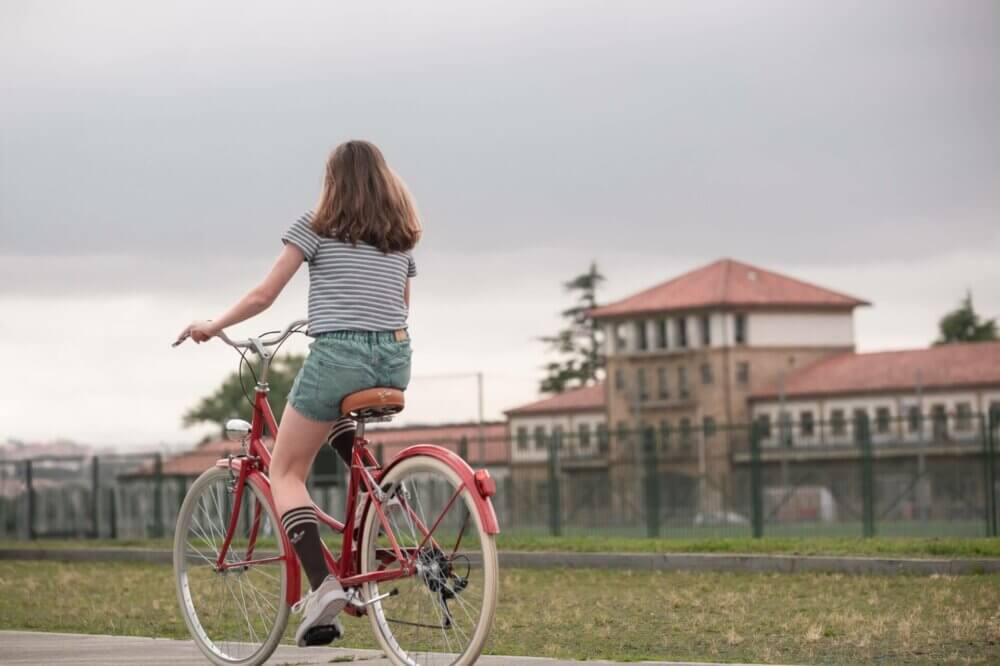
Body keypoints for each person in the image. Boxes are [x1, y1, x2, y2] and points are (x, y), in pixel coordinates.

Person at [175, 140, 421, 647]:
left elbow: (265, 295)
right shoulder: (400, 235)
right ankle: (379, 499)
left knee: (285, 471)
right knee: (331, 416)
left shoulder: (316, 225)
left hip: (338, 355)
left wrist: (212, 325)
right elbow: (400, 305)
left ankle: (323, 585)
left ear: (333, 181)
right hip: (396, 358)